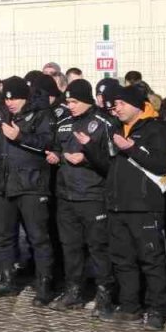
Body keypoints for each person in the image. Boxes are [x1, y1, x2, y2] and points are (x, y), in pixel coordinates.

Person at [101, 84, 166, 327]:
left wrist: (130, 148)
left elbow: (161, 165)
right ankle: (130, 305)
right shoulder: (117, 128)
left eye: (121, 103)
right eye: (115, 104)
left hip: (144, 206)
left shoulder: (156, 128)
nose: (116, 108)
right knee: (123, 259)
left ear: (135, 104)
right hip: (117, 205)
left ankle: (157, 310)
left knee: (151, 260)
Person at [0, 76, 56, 304]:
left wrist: (19, 136)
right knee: (3, 235)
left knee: (38, 237)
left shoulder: (42, 114)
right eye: (7, 99)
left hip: (31, 183)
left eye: (16, 99)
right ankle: (7, 280)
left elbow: (48, 142)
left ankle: (44, 284)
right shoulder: (0, 112)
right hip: (2, 182)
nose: (11, 103)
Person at [48, 79, 113, 312]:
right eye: (68, 102)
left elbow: (111, 160)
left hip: (93, 194)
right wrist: (55, 155)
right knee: (70, 246)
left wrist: (86, 158)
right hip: (66, 194)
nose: (70, 106)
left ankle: (105, 292)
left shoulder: (103, 123)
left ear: (86, 100)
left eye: (74, 101)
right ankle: (74, 290)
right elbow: (56, 145)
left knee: (98, 247)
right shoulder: (64, 122)